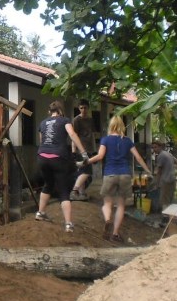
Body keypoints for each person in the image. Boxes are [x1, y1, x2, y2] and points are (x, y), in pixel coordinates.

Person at [86, 116, 152, 242]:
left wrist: (86, 161)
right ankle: (115, 233)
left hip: (110, 174)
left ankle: (107, 220)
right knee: (121, 205)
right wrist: (148, 170)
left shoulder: (105, 140)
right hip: (125, 174)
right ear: (122, 126)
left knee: (107, 203)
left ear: (111, 126)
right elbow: (138, 157)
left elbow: (100, 156)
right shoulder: (127, 141)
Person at [35, 101, 89, 232]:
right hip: (58, 158)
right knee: (64, 189)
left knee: (48, 184)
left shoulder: (42, 123)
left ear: (50, 112)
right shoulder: (65, 120)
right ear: (60, 111)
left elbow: (42, 141)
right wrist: (83, 153)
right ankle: (68, 224)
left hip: (42, 157)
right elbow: (72, 134)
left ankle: (40, 213)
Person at [70, 99, 96, 201]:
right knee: (87, 171)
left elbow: (92, 135)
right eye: (81, 108)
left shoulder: (90, 120)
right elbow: (73, 136)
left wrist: (94, 150)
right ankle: (74, 191)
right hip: (80, 150)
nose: (83, 110)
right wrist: (73, 151)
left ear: (88, 108)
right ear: (78, 108)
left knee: (83, 172)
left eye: (85, 108)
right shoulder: (76, 120)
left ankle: (82, 193)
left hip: (89, 149)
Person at [152, 140, 176, 215]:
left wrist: (156, 184)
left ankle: (165, 217)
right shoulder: (168, 154)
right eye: (153, 147)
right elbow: (176, 161)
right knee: (169, 199)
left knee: (164, 200)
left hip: (166, 180)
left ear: (160, 147)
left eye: (155, 147)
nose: (154, 149)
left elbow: (158, 172)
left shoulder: (161, 156)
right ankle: (170, 216)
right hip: (172, 179)